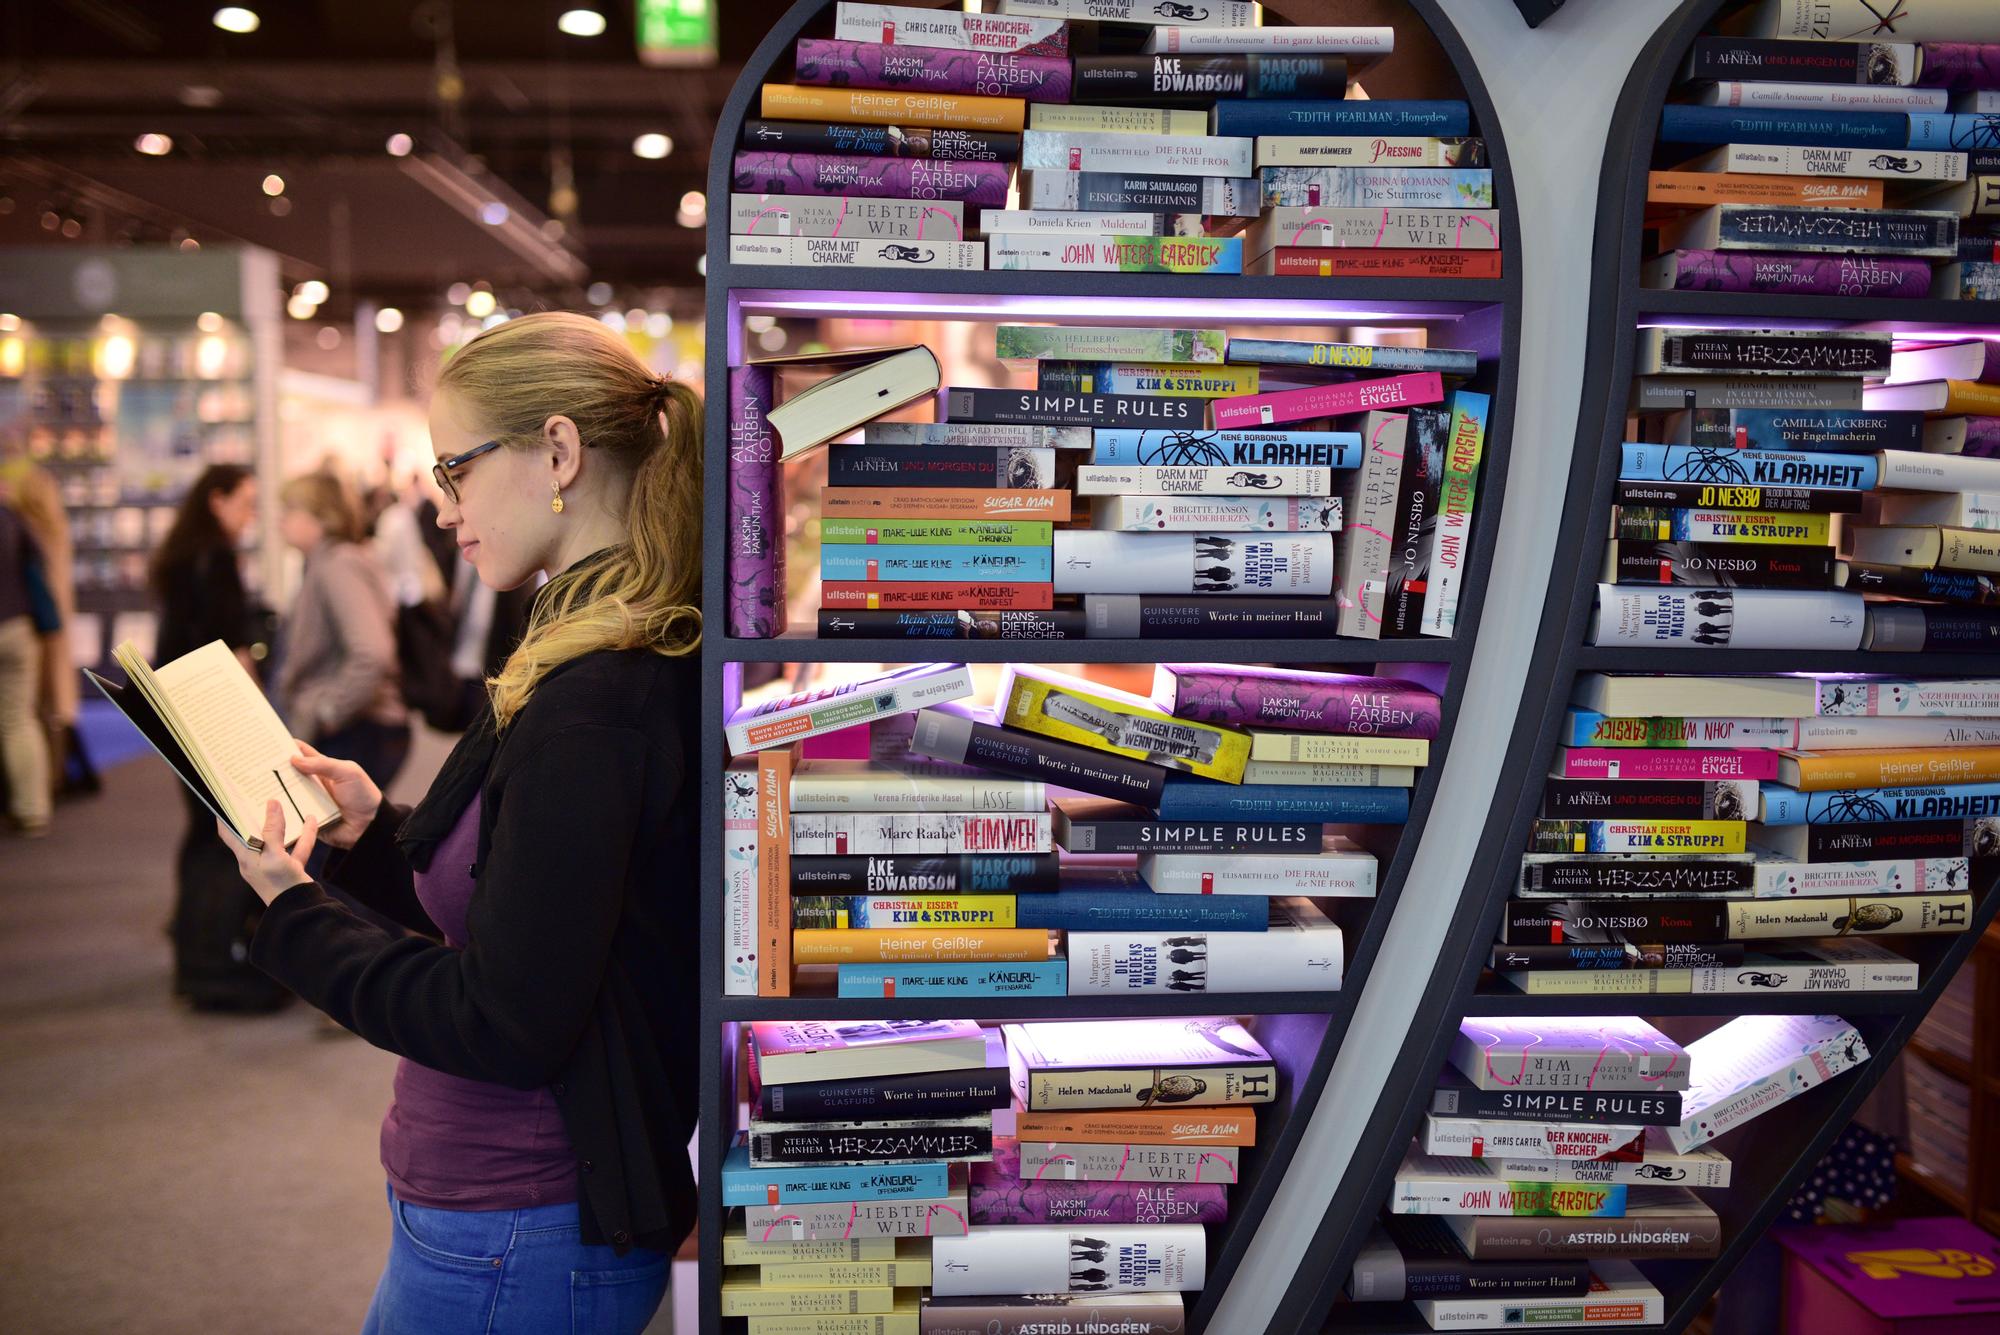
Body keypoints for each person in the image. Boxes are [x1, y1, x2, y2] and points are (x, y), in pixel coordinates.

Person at [224, 312, 702, 1334]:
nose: (444, 510)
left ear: (560, 450)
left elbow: (506, 1019)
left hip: (519, 1224)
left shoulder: (595, 696)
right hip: (503, 1213)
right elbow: (535, 902)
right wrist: (368, 840)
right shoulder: (587, 650)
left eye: (457, 470)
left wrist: (293, 916)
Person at [150, 463, 286, 1008]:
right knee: (221, 836)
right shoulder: (217, 559)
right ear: (216, 499)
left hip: (176, 706)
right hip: (210, 711)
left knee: (202, 831)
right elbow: (232, 650)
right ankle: (208, 960)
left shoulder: (183, 557)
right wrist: (256, 718)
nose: (250, 514)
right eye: (245, 501)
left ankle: (194, 946)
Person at [274, 473, 410, 789]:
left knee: (338, 834)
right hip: (356, 727)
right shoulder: (326, 563)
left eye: (291, 510)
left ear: (322, 516)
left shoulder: (338, 565)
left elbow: (373, 652)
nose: (282, 520)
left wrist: (328, 711)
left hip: (359, 729)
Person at [0, 500, 53, 835]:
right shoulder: (7, 512)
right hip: (18, 624)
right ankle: (33, 809)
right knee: (19, 719)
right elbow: (38, 557)